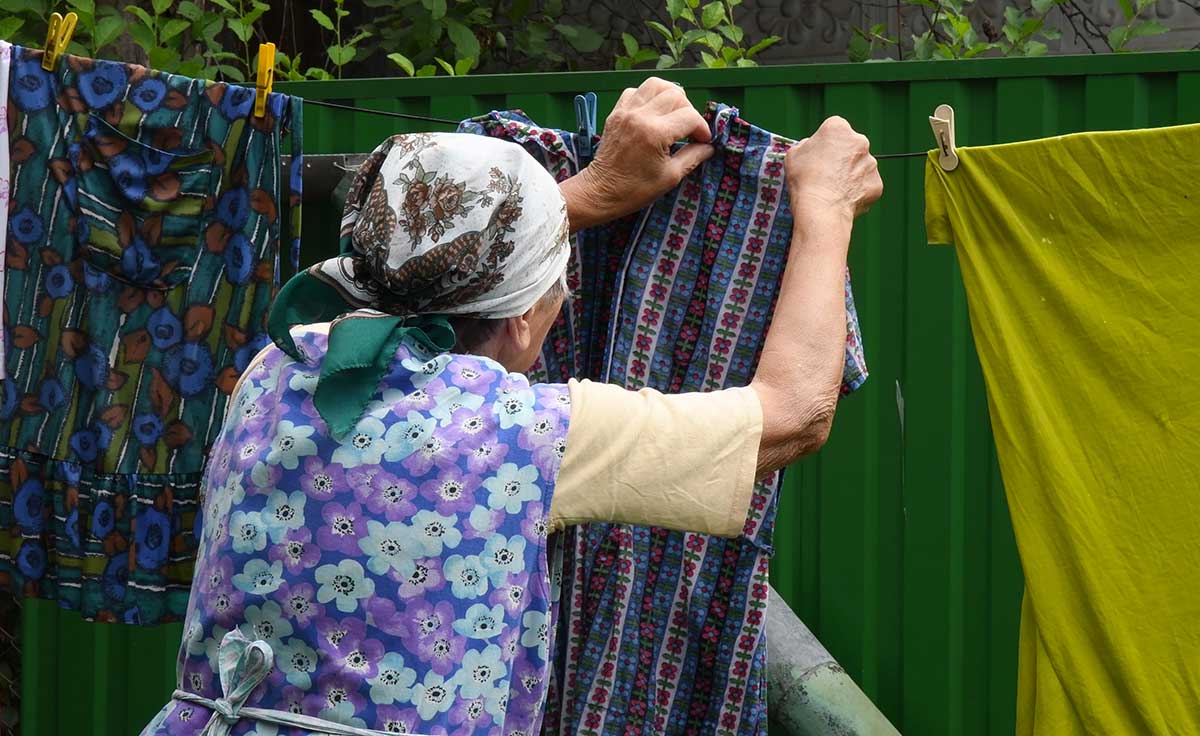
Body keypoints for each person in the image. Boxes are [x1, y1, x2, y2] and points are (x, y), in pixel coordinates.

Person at [138, 78, 883, 736]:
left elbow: (409, 267)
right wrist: (825, 209)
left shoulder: (285, 360)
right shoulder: (522, 432)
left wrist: (589, 191)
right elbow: (791, 415)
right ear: (526, 319)